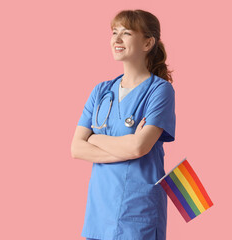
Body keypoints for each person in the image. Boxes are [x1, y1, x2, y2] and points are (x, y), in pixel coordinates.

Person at [71, 9, 176, 240]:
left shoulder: (159, 90)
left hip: (138, 209)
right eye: (114, 32)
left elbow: (139, 148)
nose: (116, 39)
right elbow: (76, 149)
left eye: (126, 33)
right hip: (100, 210)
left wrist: (95, 138)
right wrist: (127, 146)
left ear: (148, 42)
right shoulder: (101, 91)